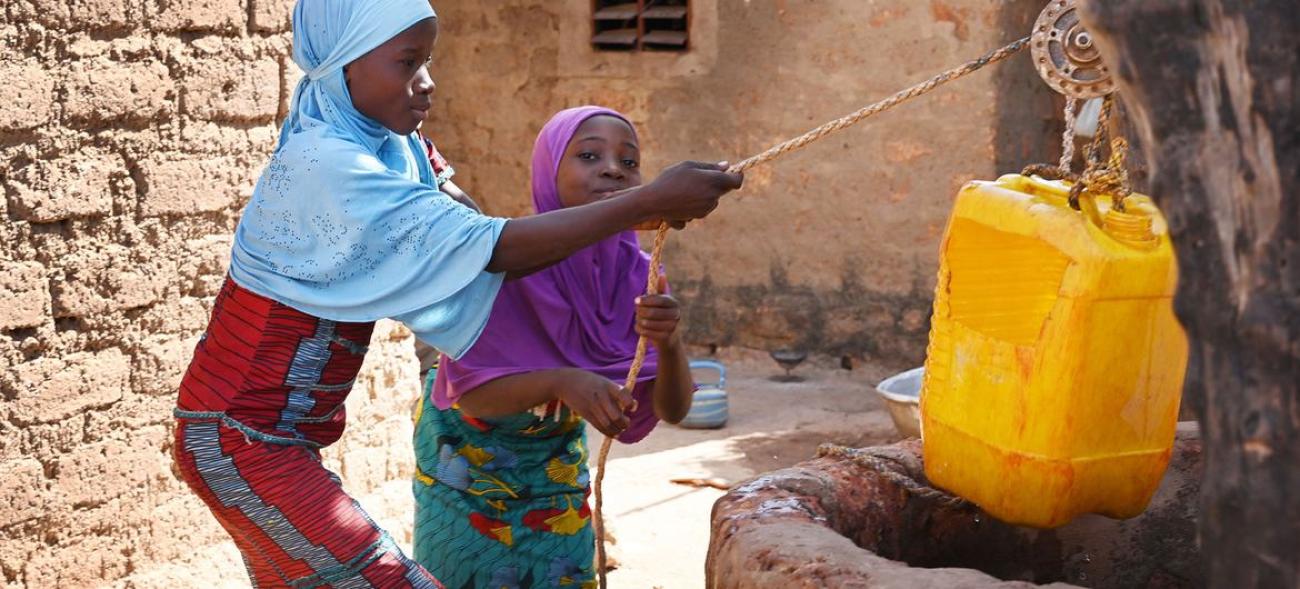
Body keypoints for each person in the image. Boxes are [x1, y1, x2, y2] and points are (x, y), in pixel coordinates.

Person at [169, 1, 742, 586]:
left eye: (428, 61)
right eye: (406, 62)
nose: (426, 82)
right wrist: (644, 203)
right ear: (343, 66)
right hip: (242, 440)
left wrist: (626, 220)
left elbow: (470, 238)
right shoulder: (329, 165)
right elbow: (487, 250)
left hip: (283, 441)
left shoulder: (398, 148)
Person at [411, 106, 698, 588]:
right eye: (589, 155)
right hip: (464, 464)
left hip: (555, 471)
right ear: (548, 168)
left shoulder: (638, 275)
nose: (613, 168)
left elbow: (674, 409)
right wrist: (562, 380)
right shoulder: (513, 261)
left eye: (629, 162)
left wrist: (670, 345)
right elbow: (472, 394)